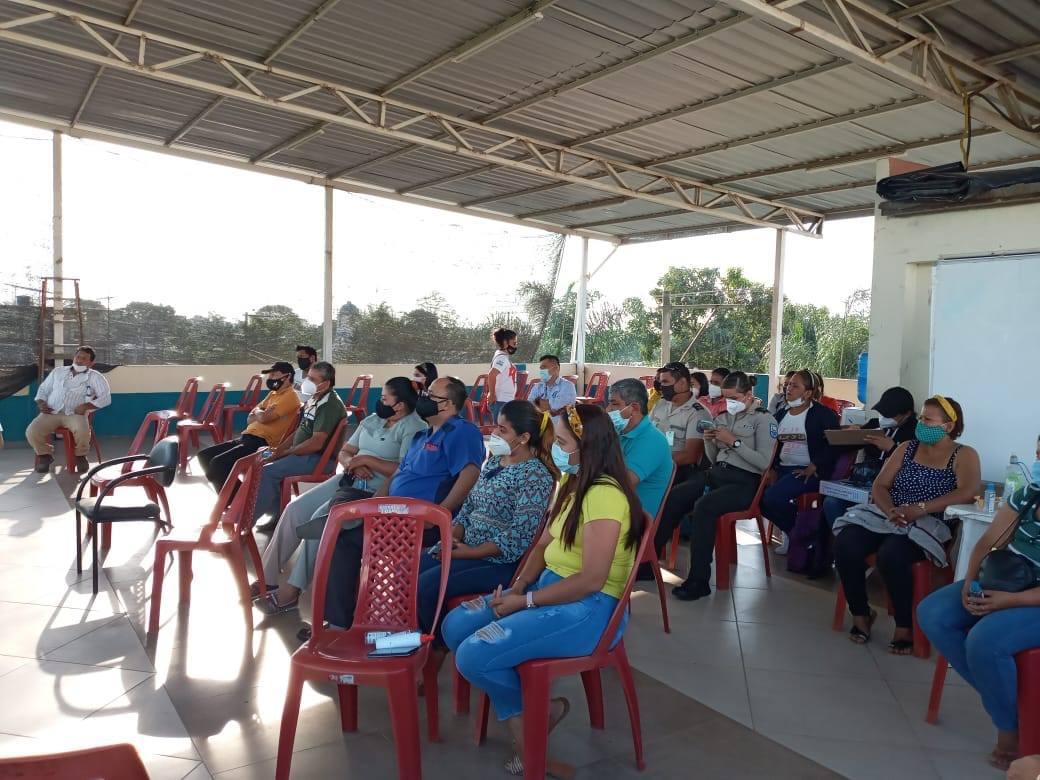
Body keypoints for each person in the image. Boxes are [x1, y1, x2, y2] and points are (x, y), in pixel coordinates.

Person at [442, 404, 644, 777]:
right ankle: (537, 714)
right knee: (454, 626)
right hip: (547, 587)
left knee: (473, 654)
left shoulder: (605, 495)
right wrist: (518, 586)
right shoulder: (574, 483)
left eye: (562, 442)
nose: (554, 449)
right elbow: (541, 546)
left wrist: (527, 601)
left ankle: (529, 741)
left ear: (587, 446)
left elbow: (591, 579)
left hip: (588, 608)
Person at [321, 376, 485, 630]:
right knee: (345, 501)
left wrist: (440, 514)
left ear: (448, 404)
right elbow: (398, 475)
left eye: (431, 395)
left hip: (419, 522)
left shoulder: (461, 432)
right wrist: (375, 504)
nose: (423, 399)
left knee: (345, 542)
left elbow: (470, 474)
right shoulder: (422, 436)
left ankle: (339, 623)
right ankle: (340, 523)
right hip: (393, 510)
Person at [253, 377, 426, 613]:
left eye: (385, 399)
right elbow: (345, 451)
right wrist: (352, 463)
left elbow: (404, 470)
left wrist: (367, 460)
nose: (380, 402)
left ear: (401, 404)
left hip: (376, 491)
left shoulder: (414, 427)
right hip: (348, 479)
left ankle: (293, 590)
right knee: (294, 510)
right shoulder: (373, 419)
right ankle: (267, 578)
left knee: (319, 520)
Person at [918, 446, 1040, 771]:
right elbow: (988, 543)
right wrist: (970, 582)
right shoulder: (1030, 495)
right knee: (933, 614)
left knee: (984, 641)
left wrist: (1010, 601)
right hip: (1008, 580)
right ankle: (1010, 705)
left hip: (1030, 597)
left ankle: (1008, 728)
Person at [834, 395, 980, 654]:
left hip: (930, 522)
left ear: (948, 426)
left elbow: (968, 492)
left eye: (928, 420)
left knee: (892, 554)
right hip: (889, 515)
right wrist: (890, 509)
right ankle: (860, 613)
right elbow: (880, 485)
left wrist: (920, 509)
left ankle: (904, 625)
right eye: (921, 417)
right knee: (846, 542)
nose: (921, 423)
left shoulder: (964, 454)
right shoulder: (906, 448)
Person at [421, 400, 556, 651]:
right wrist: (453, 535)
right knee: (411, 570)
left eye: (503, 430)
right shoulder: (495, 463)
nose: (494, 433)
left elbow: (519, 536)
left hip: (498, 562)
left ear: (524, 437)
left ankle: (437, 650)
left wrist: (470, 552)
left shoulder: (535, 475)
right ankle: (420, 639)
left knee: (426, 587)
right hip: (466, 548)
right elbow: (469, 507)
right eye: (496, 426)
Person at [673, 371, 776, 600]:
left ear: (748, 395)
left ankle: (699, 580)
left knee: (704, 507)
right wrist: (710, 441)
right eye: (726, 398)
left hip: (745, 482)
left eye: (734, 398)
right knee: (676, 495)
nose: (729, 403)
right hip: (718, 473)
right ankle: (647, 560)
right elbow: (713, 457)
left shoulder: (764, 419)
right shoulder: (722, 417)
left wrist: (734, 442)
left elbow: (763, 463)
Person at [253, 361, 346, 532]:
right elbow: (299, 432)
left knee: (268, 471)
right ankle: (275, 516)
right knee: (261, 462)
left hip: (317, 459)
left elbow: (316, 443)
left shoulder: (329, 405)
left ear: (326, 383)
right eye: (308, 377)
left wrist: (287, 452)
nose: (307, 382)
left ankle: (246, 523)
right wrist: (278, 451)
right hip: (302, 454)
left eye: (313, 379)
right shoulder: (314, 398)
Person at [822, 386, 918, 529]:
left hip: (891, 489)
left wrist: (892, 449)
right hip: (864, 482)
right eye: (882, 413)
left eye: (889, 414)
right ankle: (844, 537)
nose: (884, 418)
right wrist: (846, 435)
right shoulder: (875, 424)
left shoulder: (915, 433)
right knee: (831, 502)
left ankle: (854, 537)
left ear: (907, 414)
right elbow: (844, 447)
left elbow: (915, 468)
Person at [761, 370, 839, 542]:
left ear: (808, 393)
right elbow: (771, 444)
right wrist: (771, 468)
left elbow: (833, 445)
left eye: (795, 386)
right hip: (782, 469)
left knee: (772, 497)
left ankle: (799, 537)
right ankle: (798, 533)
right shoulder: (781, 415)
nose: (788, 388)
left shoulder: (823, 415)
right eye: (788, 385)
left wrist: (815, 464)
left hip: (809, 472)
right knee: (757, 498)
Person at [197, 361, 300, 491]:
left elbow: (264, 418)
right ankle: (236, 496)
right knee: (204, 456)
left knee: (218, 464)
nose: (270, 378)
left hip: (263, 444)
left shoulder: (290, 396)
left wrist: (259, 413)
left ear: (287, 376)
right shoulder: (273, 394)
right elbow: (250, 419)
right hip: (247, 437)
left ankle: (238, 498)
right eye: (270, 375)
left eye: (274, 375)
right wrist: (260, 412)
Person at [649, 362, 712, 562]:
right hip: (655, 467)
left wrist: (656, 463)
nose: (661, 386)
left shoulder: (698, 413)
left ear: (683, 383)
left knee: (667, 499)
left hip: (682, 470)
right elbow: (647, 435)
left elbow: (690, 455)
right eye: (660, 382)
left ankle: (648, 556)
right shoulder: (660, 405)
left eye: (666, 382)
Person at [28, 346, 111, 473]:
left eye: (84, 358)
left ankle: (80, 456)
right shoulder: (58, 372)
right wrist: (41, 402)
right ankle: (44, 456)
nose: (79, 360)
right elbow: (44, 389)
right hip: (51, 412)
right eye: (78, 357)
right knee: (32, 431)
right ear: (74, 357)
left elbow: (106, 398)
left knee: (82, 430)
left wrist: (86, 406)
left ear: (91, 363)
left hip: (75, 414)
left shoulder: (95, 377)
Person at [605, 378, 673, 520]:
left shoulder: (652, 440)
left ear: (634, 408)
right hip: (613, 509)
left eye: (614, 404)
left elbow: (620, 483)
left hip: (632, 519)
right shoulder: (620, 432)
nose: (608, 410)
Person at [486, 326, 518, 419]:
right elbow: (492, 374)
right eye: (514, 343)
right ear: (505, 342)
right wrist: (492, 394)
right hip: (501, 401)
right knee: (500, 426)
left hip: (505, 400)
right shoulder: (502, 358)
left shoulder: (502, 357)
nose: (515, 346)